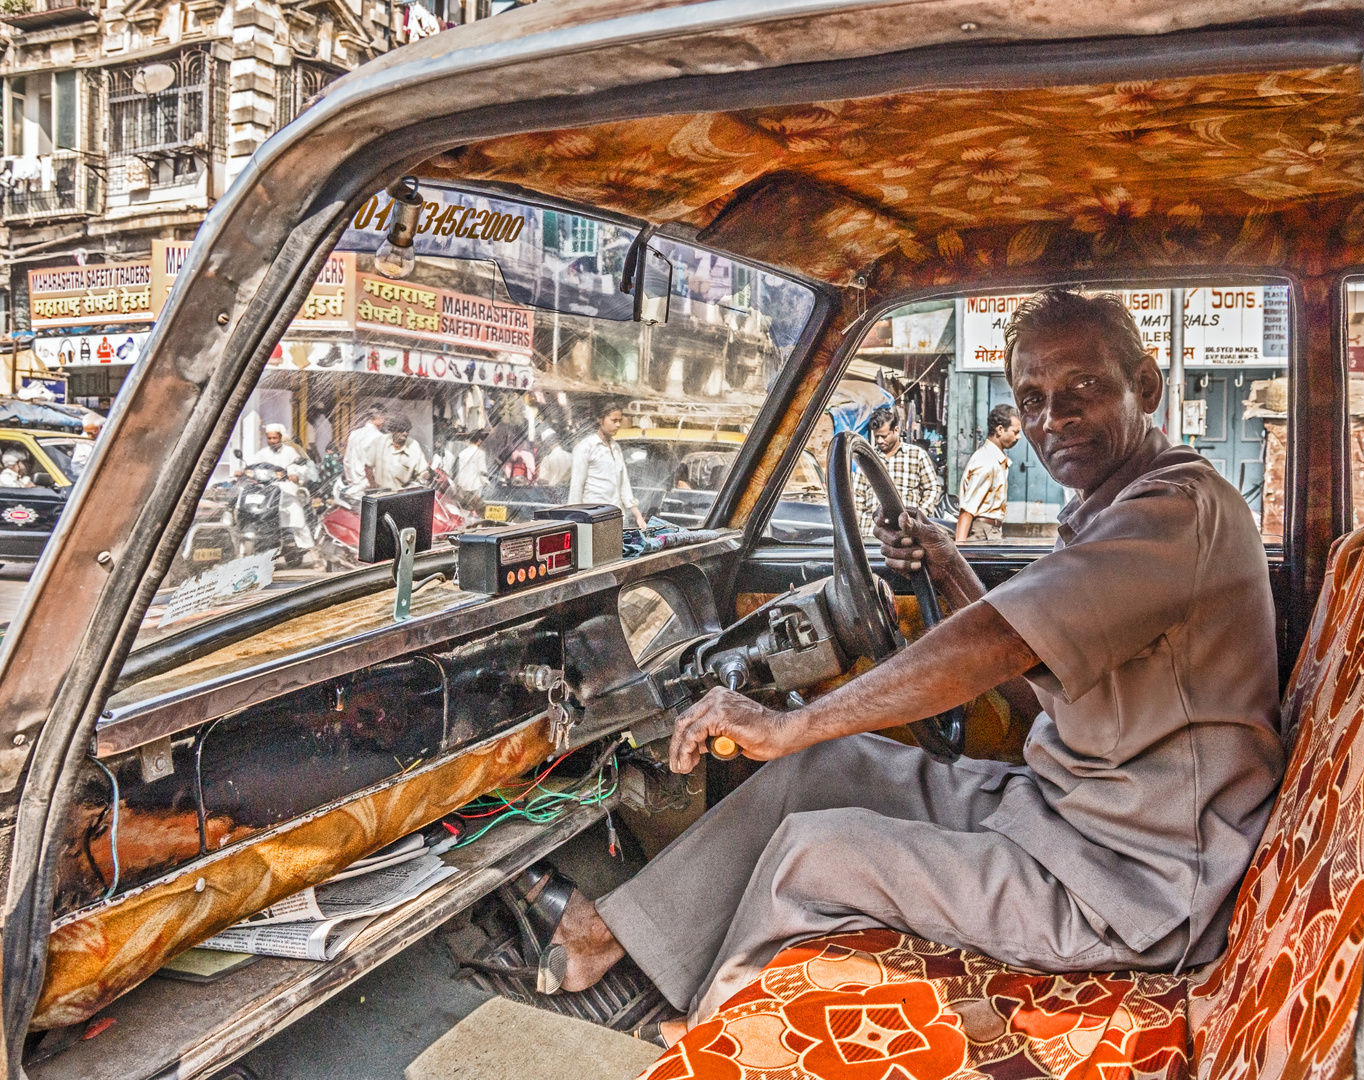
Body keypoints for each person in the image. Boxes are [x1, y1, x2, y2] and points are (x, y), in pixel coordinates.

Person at [539, 289, 1284, 1045]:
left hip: (1130, 889)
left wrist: (790, 720)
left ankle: (711, 1044)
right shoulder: (1114, 509)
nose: (1051, 420)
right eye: (1032, 398)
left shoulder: (1174, 513)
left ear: (1145, 387)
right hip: (1067, 819)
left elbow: (997, 644)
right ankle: (608, 937)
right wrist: (953, 570)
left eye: (1082, 389)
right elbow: (1040, 695)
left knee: (814, 851)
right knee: (819, 768)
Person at [853, 404, 941, 534]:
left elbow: (933, 488)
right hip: (872, 533)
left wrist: (918, 516)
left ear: (896, 430)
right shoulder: (867, 458)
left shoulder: (916, 455)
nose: (880, 441)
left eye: (884, 436)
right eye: (876, 436)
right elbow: (857, 496)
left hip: (906, 532)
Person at [568, 402, 648, 528]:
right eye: (614, 420)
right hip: (593, 519)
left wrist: (638, 516)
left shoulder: (616, 448)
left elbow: (624, 485)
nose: (618, 425)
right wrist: (574, 520)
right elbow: (577, 485)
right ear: (600, 420)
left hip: (616, 518)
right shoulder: (585, 447)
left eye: (619, 421)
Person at [240, 423, 316, 552]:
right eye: (269, 438)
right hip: (266, 492)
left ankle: (315, 558)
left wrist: (295, 475)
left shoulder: (289, 452)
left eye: (274, 438)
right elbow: (252, 465)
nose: (272, 441)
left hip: (286, 492)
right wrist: (242, 471)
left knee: (298, 521)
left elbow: (300, 468)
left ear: (280, 437)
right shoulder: (263, 453)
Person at [955, 403, 1022, 542]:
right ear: (1000, 429)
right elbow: (967, 510)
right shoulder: (987, 460)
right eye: (1015, 432)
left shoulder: (996, 459)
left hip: (990, 531)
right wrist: (959, 548)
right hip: (983, 532)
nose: (1019, 437)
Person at [373, 417, 432, 490]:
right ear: (393, 430)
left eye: (407, 431)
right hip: (379, 493)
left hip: (400, 494)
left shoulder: (413, 445)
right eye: (401, 430)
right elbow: (367, 465)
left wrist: (426, 475)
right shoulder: (380, 441)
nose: (405, 433)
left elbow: (422, 471)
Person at [342, 406, 388, 496]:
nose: (385, 422)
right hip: (370, 489)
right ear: (379, 417)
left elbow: (346, 461)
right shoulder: (379, 437)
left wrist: (352, 482)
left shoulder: (354, 434)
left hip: (354, 488)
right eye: (385, 418)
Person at [453, 429, 491, 504]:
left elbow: (459, 470)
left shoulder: (462, 453)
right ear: (479, 440)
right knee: (475, 507)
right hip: (474, 485)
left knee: (465, 507)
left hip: (463, 485)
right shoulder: (480, 453)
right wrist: (486, 482)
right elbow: (482, 470)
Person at [69, 414, 103, 479]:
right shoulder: (83, 438)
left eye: (93, 432)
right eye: (87, 433)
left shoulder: (108, 434)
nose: (89, 436)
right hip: (82, 466)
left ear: (100, 427)